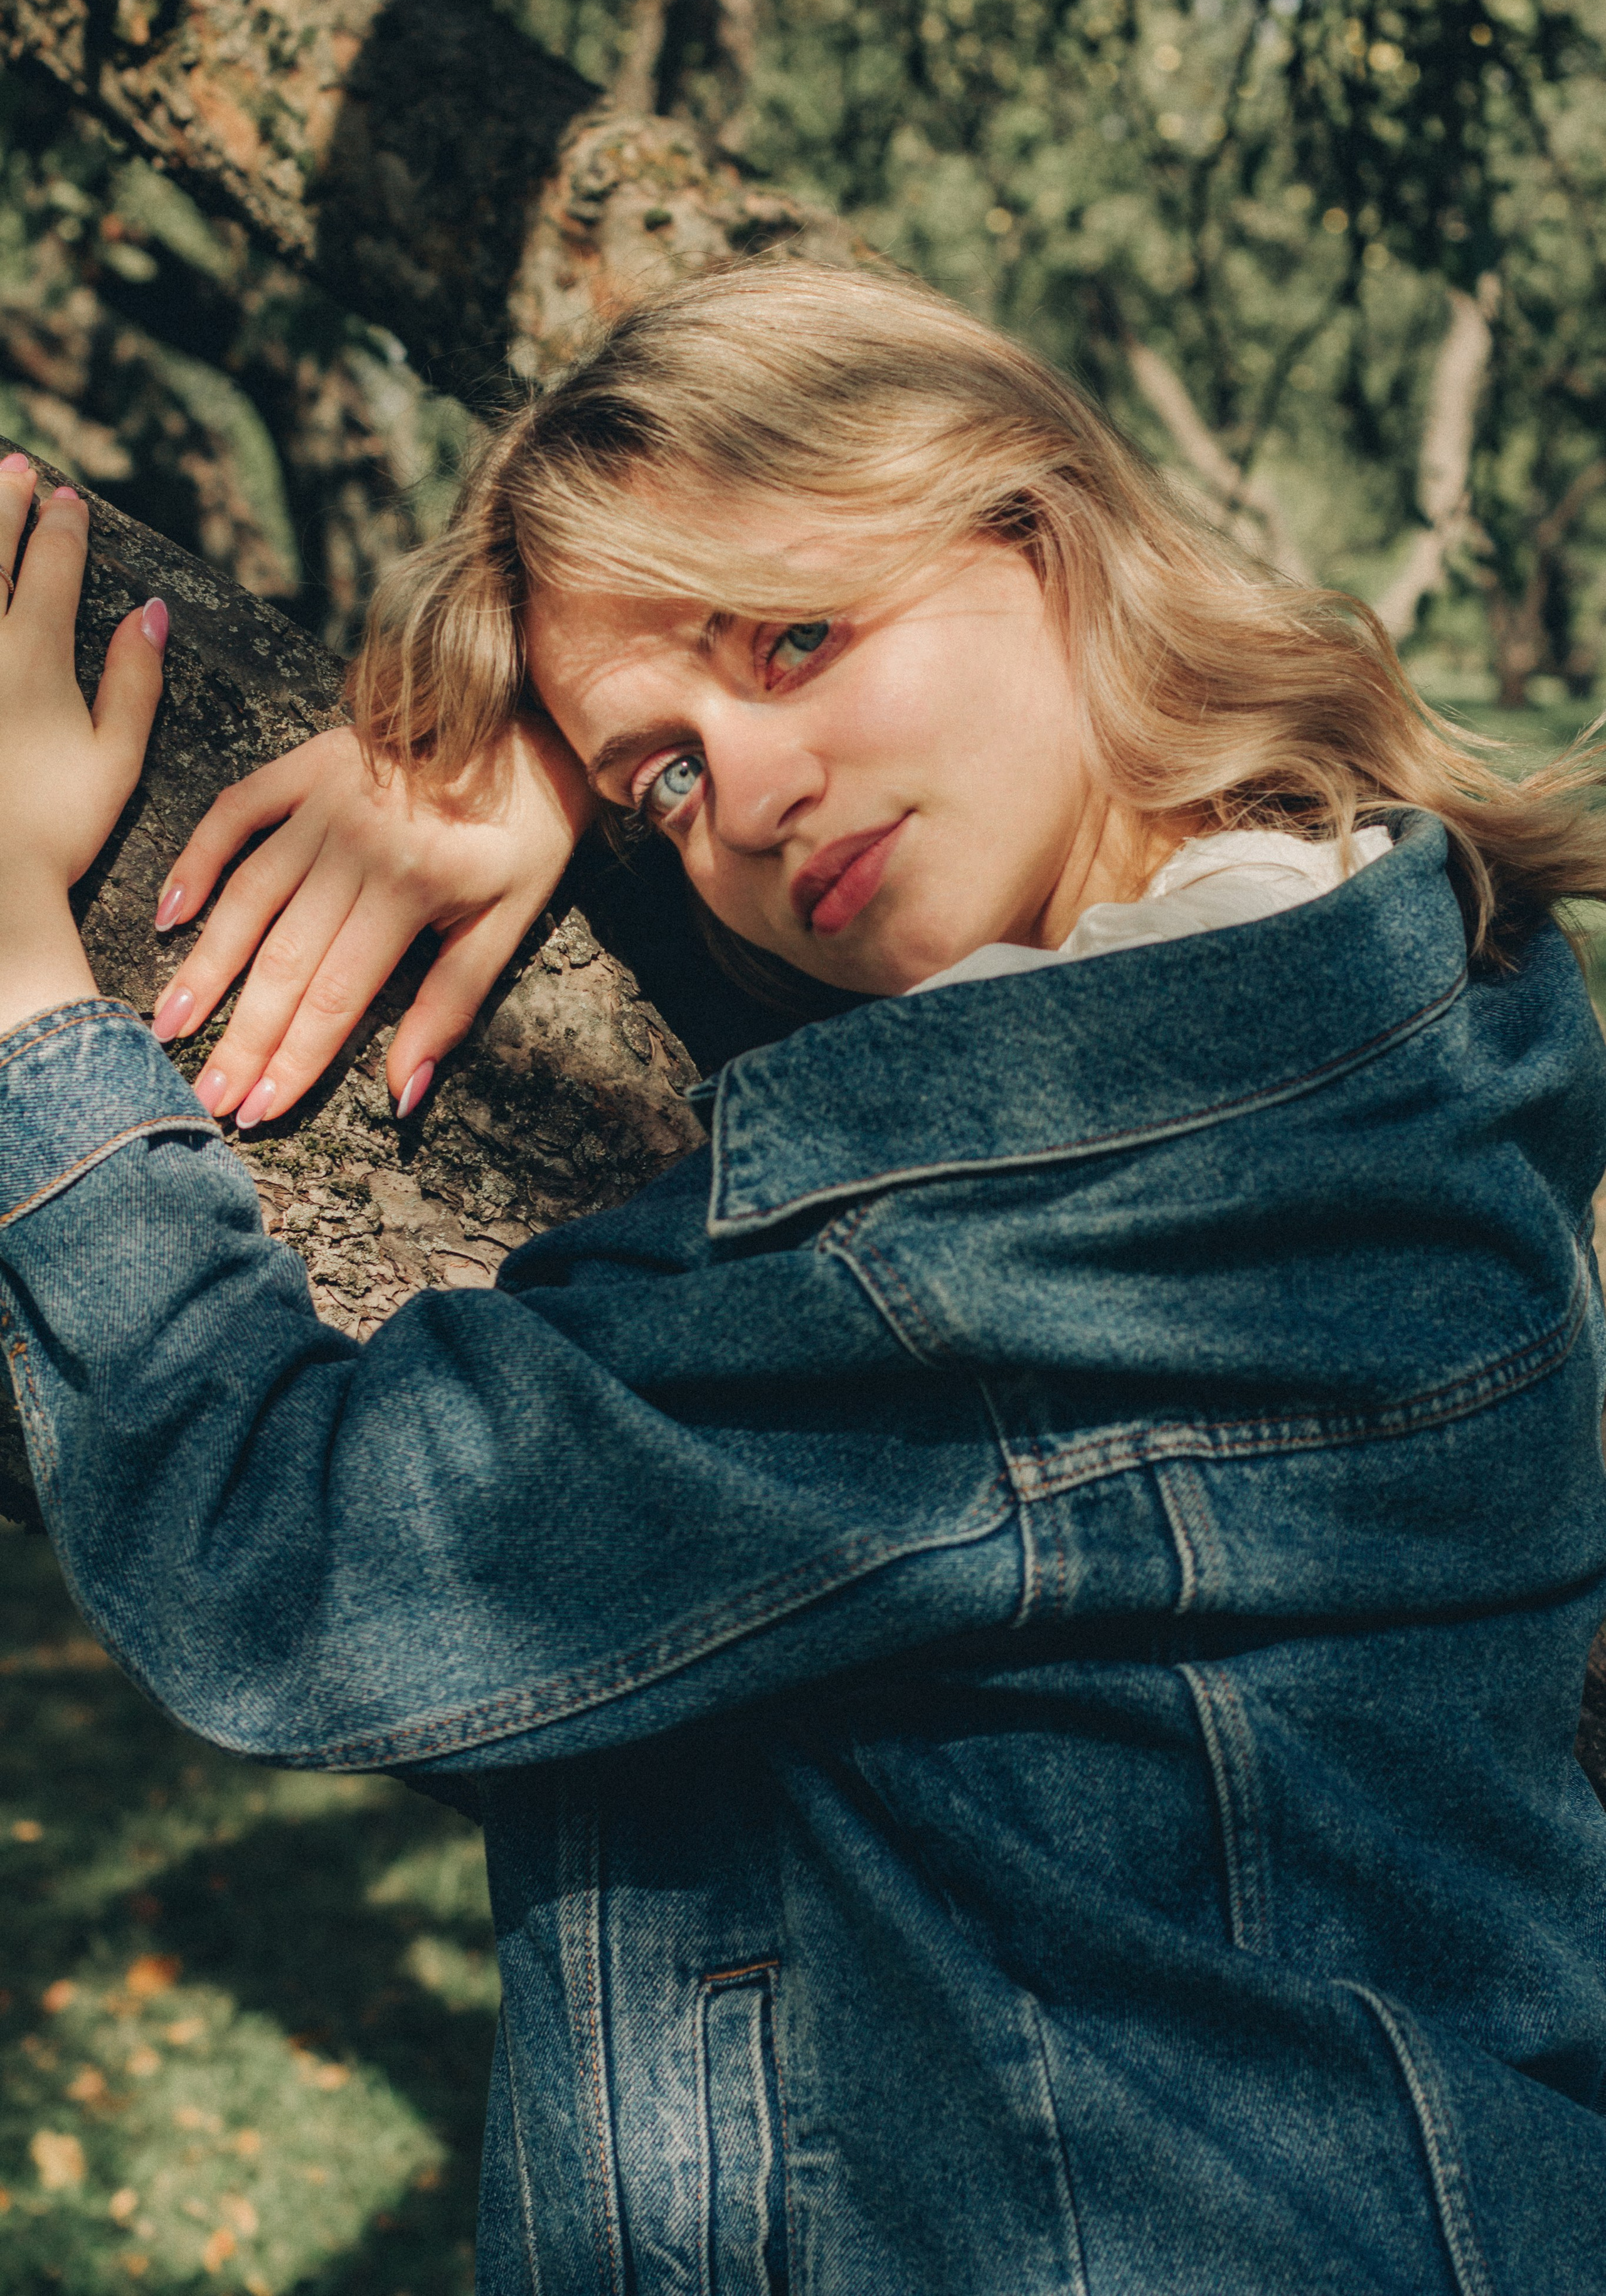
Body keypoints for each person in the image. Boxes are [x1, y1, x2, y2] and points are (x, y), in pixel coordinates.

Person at [1, 259, 1605, 2296]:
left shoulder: (1037, 1222)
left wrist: (24, 978)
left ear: (1032, 525)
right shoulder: (1408, 1004)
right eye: (661, 771)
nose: (743, 803)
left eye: (795, 638)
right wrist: (534, 782)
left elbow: (288, 1551)